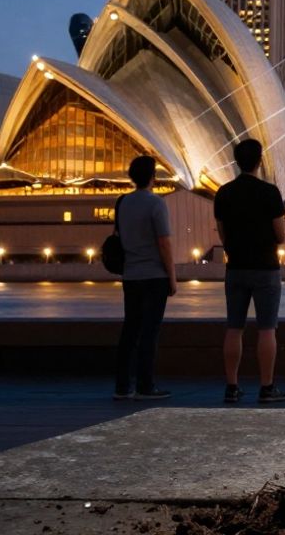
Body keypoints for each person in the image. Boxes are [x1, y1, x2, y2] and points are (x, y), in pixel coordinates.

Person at [214, 139, 285, 404]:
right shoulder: (269, 192)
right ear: (260, 161)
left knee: (234, 328)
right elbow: (280, 236)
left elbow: (223, 236)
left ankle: (232, 387)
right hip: (265, 268)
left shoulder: (223, 193)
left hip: (235, 268)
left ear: (236, 161)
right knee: (267, 329)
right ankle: (267, 387)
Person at [114, 155, 177, 400]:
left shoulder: (122, 203)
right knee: (150, 331)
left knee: (130, 329)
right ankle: (146, 385)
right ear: (153, 177)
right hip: (154, 277)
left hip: (130, 275)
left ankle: (122, 385)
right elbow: (164, 243)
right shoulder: (156, 203)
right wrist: (172, 277)